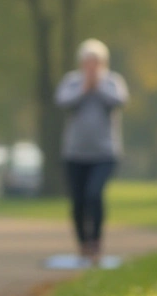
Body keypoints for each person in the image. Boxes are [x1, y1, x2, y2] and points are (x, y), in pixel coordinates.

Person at [55, 39, 129, 265]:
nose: (91, 66)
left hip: (104, 154)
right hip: (75, 154)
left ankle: (96, 241)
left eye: (95, 62)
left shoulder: (112, 82)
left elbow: (120, 101)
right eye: (87, 62)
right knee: (78, 201)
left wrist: (97, 86)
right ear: (81, 63)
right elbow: (62, 102)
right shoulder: (72, 82)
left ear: (103, 63)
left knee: (94, 194)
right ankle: (83, 243)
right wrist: (84, 88)